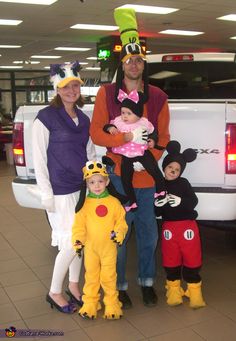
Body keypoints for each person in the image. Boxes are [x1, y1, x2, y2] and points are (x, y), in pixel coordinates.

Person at [90, 8, 170, 308]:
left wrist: (148, 156)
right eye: (129, 60)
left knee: (149, 234)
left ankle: (147, 283)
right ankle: (119, 286)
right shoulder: (106, 94)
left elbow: (164, 137)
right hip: (117, 178)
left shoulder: (159, 96)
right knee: (119, 236)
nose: (134, 64)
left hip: (148, 179)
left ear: (143, 64)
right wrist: (122, 140)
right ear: (122, 63)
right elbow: (96, 133)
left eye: (139, 60)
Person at [32, 61, 96, 314]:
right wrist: (45, 192)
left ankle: (73, 285)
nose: (72, 90)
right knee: (71, 242)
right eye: (66, 86)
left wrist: (94, 180)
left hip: (81, 188)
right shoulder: (45, 118)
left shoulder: (83, 117)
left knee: (79, 239)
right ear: (58, 89)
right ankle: (54, 291)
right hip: (58, 190)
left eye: (76, 86)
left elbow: (89, 152)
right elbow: (38, 158)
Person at [72, 161, 128, 319]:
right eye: (92, 182)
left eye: (100, 181)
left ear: (107, 182)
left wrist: (119, 233)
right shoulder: (84, 205)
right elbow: (79, 226)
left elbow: (121, 222)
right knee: (91, 276)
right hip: (91, 249)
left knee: (109, 276)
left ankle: (111, 303)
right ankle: (90, 302)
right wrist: (77, 240)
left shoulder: (114, 203)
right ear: (87, 184)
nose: (96, 186)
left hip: (108, 249)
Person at [155, 140, 206, 309]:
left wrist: (181, 201)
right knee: (171, 261)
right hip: (169, 228)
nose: (173, 171)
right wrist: (157, 206)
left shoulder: (183, 183)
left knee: (192, 259)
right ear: (164, 167)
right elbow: (156, 213)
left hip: (187, 227)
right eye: (170, 168)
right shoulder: (158, 185)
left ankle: (194, 291)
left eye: (177, 170)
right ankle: (174, 290)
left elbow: (194, 201)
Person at [103, 88, 166, 212]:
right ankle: (132, 202)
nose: (125, 116)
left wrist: (153, 140)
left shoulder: (144, 123)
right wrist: (110, 128)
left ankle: (161, 191)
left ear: (138, 114)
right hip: (126, 156)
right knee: (126, 180)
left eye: (129, 113)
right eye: (123, 112)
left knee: (155, 171)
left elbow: (154, 133)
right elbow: (106, 126)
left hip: (143, 153)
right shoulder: (118, 121)